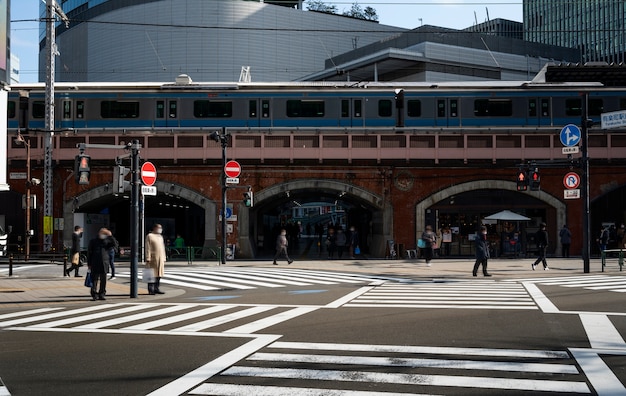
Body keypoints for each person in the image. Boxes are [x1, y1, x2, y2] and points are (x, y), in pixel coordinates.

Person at [87, 228, 116, 301]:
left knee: (103, 280)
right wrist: (89, 263)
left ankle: (102, 294)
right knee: (94, 279)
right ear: (99, 233)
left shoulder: (107, 241)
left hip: (104, 263)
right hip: (95, 262)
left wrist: (110, 235)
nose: (103, 235)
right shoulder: (93, 241)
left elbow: (115, 244)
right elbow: (89, 253)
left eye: (105, 234)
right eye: (102, 233)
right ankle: (94, 294)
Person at [145, 223, 167, 295]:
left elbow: (163, 248)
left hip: (160, 258)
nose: (160, 229)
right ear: (154, 228)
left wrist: (164, 257)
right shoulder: (150, 236)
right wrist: (148, 257)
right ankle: (151, 289)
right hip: (153, 258)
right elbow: (148, 247)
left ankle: (156, 288)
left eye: (161, 228)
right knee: (151, 274)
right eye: (159, 227)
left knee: (159, 274)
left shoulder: (160, 237)